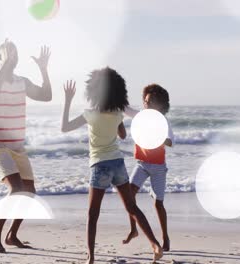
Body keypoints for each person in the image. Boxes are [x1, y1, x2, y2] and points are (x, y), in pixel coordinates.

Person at [60, 68, 163, 263]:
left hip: (99, 166)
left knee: (93, 214)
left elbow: (64, 127)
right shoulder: (117, 113)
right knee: (132, 207)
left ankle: (90, 257)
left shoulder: (90, 114)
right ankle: (155, 244)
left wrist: (67, 100)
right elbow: (123, 134)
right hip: (118, 164)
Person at [0, 39, 52, 253]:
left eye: (16, 53)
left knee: (29, 191)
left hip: (17, 146)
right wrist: (5, 62)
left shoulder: (22, 81)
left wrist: (43, 69)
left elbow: (46, 96)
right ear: (0, 57)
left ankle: (12, 235)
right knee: (16, 189)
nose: (13, 56)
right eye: (8, 53)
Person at [122, 84, 174, 251]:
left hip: (158, 167)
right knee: (129, 195)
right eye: (145, 101)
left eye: (150, 102)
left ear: (159, 104)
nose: (147, 105)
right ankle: (133, 229)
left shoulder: (163, 121)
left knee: (158, 204)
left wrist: (156, 134)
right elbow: (124, 108)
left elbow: (170, 141)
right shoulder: (140, 116)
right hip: (142, 164)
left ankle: (165, 237)